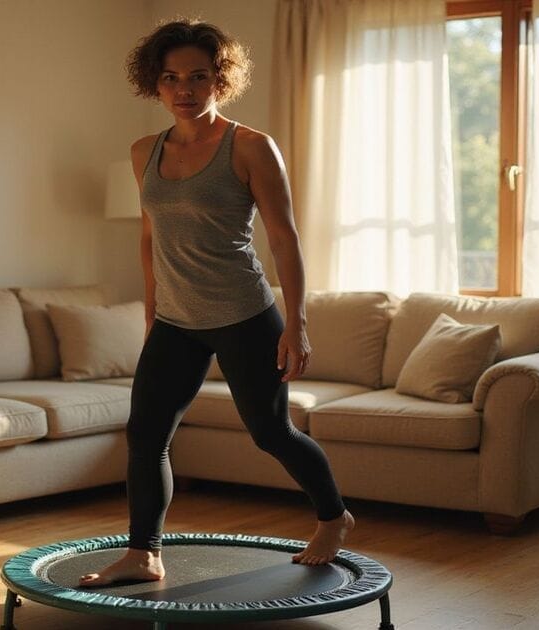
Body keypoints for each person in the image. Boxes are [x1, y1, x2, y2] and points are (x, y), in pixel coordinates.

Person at [79, 19, 354, 587]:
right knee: (146, 435)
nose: (185, 89)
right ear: (154, 85)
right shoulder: (142, 152)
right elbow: (150, 236)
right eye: (172, 78)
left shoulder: (251, 146)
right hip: (177, 322)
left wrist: (295, 325)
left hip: (245, 316)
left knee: (271, 433)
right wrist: (153, 313)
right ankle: (143, 553)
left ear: (220, 80)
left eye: (199, 76)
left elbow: (284, 238)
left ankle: (333, 516)